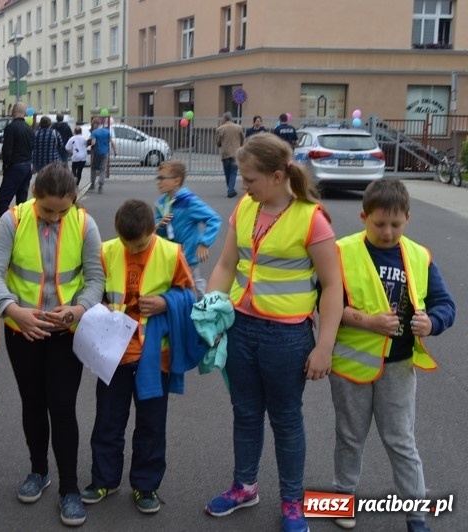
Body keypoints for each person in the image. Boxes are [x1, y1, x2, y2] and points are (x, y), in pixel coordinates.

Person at [203, 133, 343, 532]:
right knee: (245, 413)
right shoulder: (245, 208)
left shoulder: (311, 219)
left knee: (285, 419)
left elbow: (332, 287)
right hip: (241, 328)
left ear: (278, 175)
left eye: (250, 180)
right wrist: (212, 313)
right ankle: (245, 486)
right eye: (243, 180)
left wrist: (325, 348)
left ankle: (293, 502)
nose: (243, 187)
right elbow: (227, 265)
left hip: (287, 336)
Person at [0, 162, 105, 527]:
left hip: (66, 331)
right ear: (34, 198)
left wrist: (79, 309)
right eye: (47, 209)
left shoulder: (84, 223)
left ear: (73, 201)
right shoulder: (13, 221)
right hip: (24, 329)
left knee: (63, 406)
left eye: (62, 210)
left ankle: (69, 488)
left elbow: (95, 279)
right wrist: (12, 310)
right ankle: (39, 471)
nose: (54, 217)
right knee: (33, 403)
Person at [329, 179, 455, 532]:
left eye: (395, 225)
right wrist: (366, 321)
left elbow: (446, 304)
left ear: (408, 220)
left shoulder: (419, 256)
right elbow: (325, 304)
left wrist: (432, 322)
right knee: (349, 437)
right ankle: (343, 500)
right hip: (351, 366)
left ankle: (417, 516)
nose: (387, 232)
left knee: (401, 442)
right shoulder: (342, 251)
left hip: (398, 367)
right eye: (379, 224)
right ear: (363, 216)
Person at [80, 199, 196, 515]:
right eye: (127, 243)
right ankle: (104, 479)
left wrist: (164, 302)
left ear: (152, 229)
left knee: (151, 425)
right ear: (117, 233)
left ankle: (146, 486)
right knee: (107, 421)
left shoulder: (171, 253)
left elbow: (189, 295)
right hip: (113, 356)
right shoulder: (106, 251)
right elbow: (93, 292)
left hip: (153, 359)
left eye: (140, 244)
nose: (133, 250)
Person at [154, 160, 222, 296]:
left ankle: (200, 307)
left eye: (162, 178)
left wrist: (204, 242)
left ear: (176, 181)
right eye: (157, 178)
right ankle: (198, 304)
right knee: (186, 285)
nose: (158, 181)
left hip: (187, 256)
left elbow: (214, 219)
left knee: (185, 286)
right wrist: (159, 225)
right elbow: (157, 228)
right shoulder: (161, 203)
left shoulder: (189, 201)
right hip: (170, 255)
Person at [0, 102, 34, 216]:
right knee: (22, 203)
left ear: (13, 111)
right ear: (24, 113)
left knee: (2, 202)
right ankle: (21, 226)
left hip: (15, 167)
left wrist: (5, 166)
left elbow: (7, 150)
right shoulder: (29, 129)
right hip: (28, 167)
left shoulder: (11, 128)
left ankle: (8, 226)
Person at [215, 112, 245, 198]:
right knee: (233, 172)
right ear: (232, 118)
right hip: (236, 152)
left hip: (225, 153)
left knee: (227, 172)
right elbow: (242, 139)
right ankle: (231, 189)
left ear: (224, 118)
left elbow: (218, 143)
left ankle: (230, 189)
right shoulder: (238, 127)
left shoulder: (220, 129)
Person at [89, 117, 116, 194]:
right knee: (102, 169)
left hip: (97, 153)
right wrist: (115, 151)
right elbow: (112, 142)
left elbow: (93, 143)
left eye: (93, 124)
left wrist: (88, 145)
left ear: (95, 124)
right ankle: (101, 186)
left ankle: (93, 184)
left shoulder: (94, 132)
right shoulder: (107, 131)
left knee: (93, 168)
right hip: (105, 153)